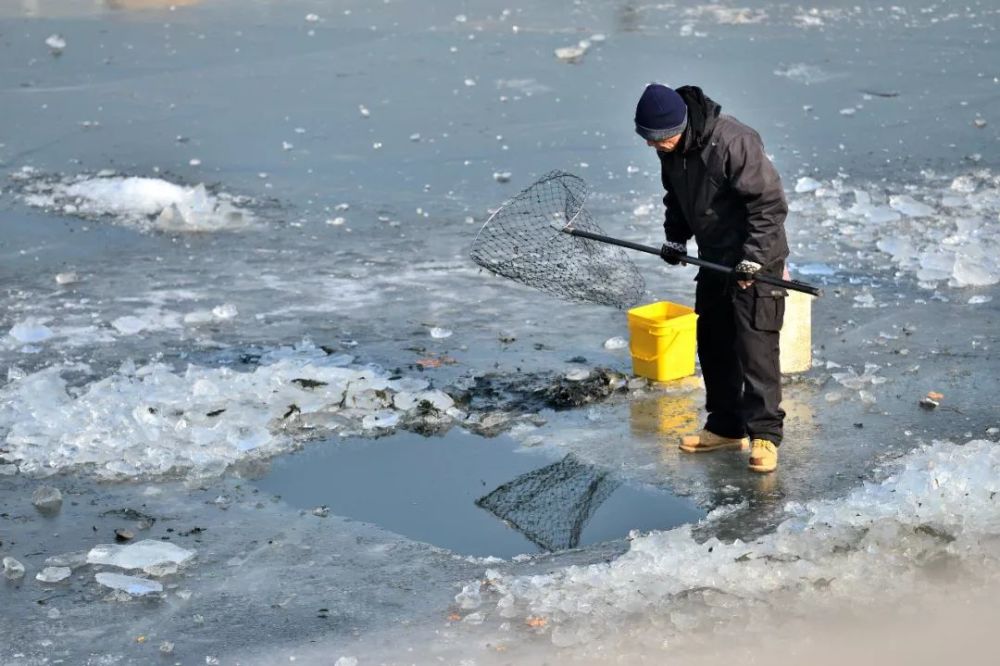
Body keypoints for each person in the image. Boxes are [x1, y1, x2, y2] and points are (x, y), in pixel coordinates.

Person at [634, 83, 789, 473]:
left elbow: (769, 205)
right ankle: (725, 427)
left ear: (683, 124)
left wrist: (754, 261)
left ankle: (765, 436)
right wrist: (675, 237)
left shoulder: (734, 142)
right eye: (650, 141)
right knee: (714, 345)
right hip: (714, 260)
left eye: (663, 138)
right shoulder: (673, 149)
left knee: (755, 350)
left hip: (757, 261)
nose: (658, 146)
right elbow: (678, 196)